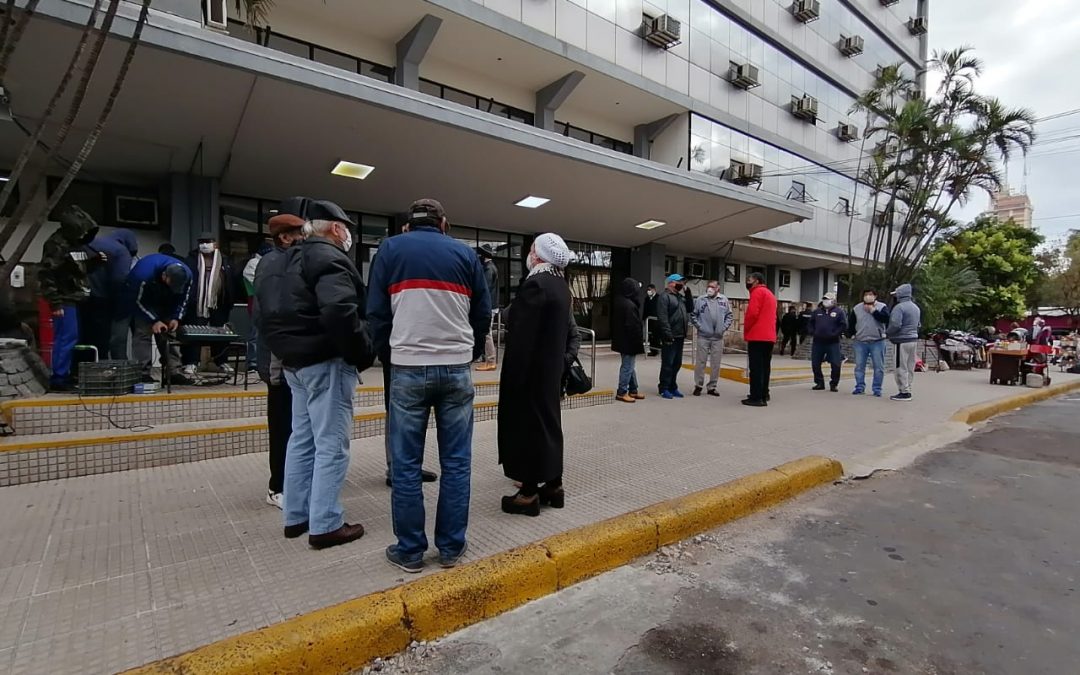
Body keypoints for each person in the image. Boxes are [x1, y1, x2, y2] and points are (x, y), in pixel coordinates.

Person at [367, 199, 489, 572]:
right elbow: (482, 312)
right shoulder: (465, 254)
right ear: (444, 223)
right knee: (456, 462)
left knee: (405, 465)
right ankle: (451, 548)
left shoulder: (390, 249)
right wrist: (466, 351)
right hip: (455, 369)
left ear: (408, 225)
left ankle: (410, 551)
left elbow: (374, 312)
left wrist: (391, 353)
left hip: (407, 368)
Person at [259, 200, 374, 549]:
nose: (349, 236)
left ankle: (295, 517)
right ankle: (325, 523)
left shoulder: (280, 261)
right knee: (331, 445)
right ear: (337, 229)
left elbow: (265, 314)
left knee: (301, 440)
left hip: (294, 363)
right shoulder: (327, 257)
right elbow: (340, 311)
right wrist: (361, 353)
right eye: (348, 229)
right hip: (326, 362)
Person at [498, 233, 573, 517]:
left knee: (527, 429)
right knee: (549, 426)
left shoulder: (536, 285)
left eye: (531, 250)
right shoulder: (561, 286)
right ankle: (554, 485)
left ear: (539, 256)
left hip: (529, 372)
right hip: (551, 370)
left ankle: (528, 492)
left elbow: (520, 329)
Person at [252, 199, 308, 510]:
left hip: (288, 358)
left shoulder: (287, 262)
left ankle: (292, 481)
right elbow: (268, 315)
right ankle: (278, 485)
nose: (304, 237)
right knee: (283, 423)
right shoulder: (274, 264)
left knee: (294, 424)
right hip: (279, 360)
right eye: (299, 233)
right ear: (284, 237)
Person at [38, 206, 103, 391]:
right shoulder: (56, 245)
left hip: (76, 297)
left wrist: (94, 263)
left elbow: (76, 271)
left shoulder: (76, 245)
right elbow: (47, 274)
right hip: (64, 298)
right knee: (66, 337)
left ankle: (65, 373)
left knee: (71, 338)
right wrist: (55, 301)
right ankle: (59, 377)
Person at [125, 253, 193, 385]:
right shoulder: (142, 273)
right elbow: (137, 300)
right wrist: (154, 320)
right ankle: (142, 373)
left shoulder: (187, 275)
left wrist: (176, 318)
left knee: (169, 335)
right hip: (144, 301)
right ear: (164, 276)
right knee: (143, 334)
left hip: (168, 303)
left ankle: (174, 372)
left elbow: (184, 298)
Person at [181, 233, 235, 378]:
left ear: (215, 244)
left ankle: (221, 361)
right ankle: (191, 362)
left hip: (219, 302)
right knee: (194, 331)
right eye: (201, 242)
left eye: (208, 242)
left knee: (220, 331)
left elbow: (230, 280)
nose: (205, 245)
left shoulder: (224, 260)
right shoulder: (191, 260)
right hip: (197, 303)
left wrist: (230, 300)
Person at [83, 228, 138, 360]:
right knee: (103, 336)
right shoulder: (121, 251)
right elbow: (119, 279)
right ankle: (102, 368)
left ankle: (80, 369)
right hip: (103, 298)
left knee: (85, 335)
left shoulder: (90, 243)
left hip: (82, 297)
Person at [690, 280, 732, 397]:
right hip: (703, 336)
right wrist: (700, 327)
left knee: (715, 363)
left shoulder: (723, 300)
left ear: (718, 288)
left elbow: (729, 315)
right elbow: (693, 315)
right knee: (700, 362)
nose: (710, 289)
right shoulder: (700, 300)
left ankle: (712, 387)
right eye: (708, 286)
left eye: (712, 287)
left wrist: (723, 328)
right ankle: (698, 386)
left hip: (718, 337)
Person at [742, 272, 777, 407]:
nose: (747, 282)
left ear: (756, 281)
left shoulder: (757, 292)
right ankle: (764, 393)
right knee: (765, 367)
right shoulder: (770, 294)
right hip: (769, 336)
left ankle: (756, 397)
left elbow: (752, 314)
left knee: (756, 368)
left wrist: (747, 330)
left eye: (749, 279)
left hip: (757, 335)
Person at [848, 289, 890, 397]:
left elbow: (886, 319)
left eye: (870, 294)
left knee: (878, 367)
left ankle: (877, 389)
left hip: (877, 341)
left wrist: (873, 311)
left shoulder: (882, 306)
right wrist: (851, 334)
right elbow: (851, 322)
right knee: (859, 366)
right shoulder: (857, 308)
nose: (868, 296)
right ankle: (859, 387)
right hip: (860, 341)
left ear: (875, 296)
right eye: (866, 294)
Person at [610, 277, 645, 403]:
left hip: (623, 340)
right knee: (627, 366)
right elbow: (633, 326)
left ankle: (633, 390)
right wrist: (638, 341)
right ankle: (622, 392)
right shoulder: (629, 305)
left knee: (630, 366)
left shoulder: (620, 301)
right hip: (628, 341)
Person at [886, 283, 921, 402]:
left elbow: (895, 324)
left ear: (900, 295)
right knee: (910, 366)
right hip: (913, 340)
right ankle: (908, 388)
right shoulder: (915, 307)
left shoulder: (899, 307)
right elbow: (918, 324)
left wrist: (887, 333)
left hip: (901, 341)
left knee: (900, 366)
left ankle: (904, 392)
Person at [656, 274, 688, 399]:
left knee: (677, 363)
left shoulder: (679, 297)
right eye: (679, 282)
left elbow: (689, 308)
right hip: (670, 335)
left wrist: (688, 294)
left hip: (680, 335)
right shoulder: (664, 297)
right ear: (671, 283)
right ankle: (664, 387)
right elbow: (663, 318)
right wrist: (667, 334)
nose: (681, 284)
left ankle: (672, 386)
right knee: (668, 363)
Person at [243, 239, 273, 373]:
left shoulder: (270, 261)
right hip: (256, 300)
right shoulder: (253, 263)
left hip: (269, 301)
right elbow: (257, 282)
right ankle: (253, 362)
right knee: (255, 333)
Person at [809, 292, 847, 392]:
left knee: (835, 364)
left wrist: (835, 333)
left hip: (833, 342)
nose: (826, 301)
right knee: (815, 363)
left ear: (833, 300)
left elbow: (843, 325)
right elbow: (810, 324)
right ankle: (819, 382)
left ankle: (834, 383)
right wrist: (813, 332)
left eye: (828, 299)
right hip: (818, 342)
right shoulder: (817, 312)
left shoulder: (839, 312)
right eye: (824, 299)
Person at [475, 245, 499, 372]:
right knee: (486, 332)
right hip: (491, 305)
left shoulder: (488, 269)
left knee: (487, 333)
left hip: (488, 306)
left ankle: (490, 360)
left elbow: (485, 289)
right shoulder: (491, 267)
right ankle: (487, 359)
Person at [643, 284, 660, 356]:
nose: (648, 291)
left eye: (649, 290)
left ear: (654, 289)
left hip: (656, 320)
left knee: (656, 335)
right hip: (648, 320)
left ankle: (655, 350)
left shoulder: (659, 298)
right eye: (647, 290)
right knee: (650, 335)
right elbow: (645, 309)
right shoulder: (647, 298)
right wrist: (643, 318)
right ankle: (652, 350)